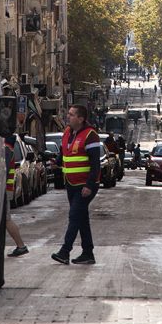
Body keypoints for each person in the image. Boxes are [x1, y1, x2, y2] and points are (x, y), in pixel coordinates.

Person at [51, 105, 101, 266]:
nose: (68, 116)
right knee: (81, 218)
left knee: (74, 216)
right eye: (69, 113)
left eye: (72, 115)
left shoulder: (90, 135)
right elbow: (63, 153)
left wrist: (89, 185)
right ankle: (88, 253)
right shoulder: (67, 132)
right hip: (71, 183)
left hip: (85, 185)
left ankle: (65, 251)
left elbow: (95, 165)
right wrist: (55, 163)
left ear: (81, 119)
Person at [4, 134, 28, 256]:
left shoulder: (6, 150)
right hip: (5, 189)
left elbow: (3, 170)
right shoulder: (9, 150)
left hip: (3, 190)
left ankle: (21, 246)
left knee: (6, 220)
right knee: (5, 220)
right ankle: (21, 246)